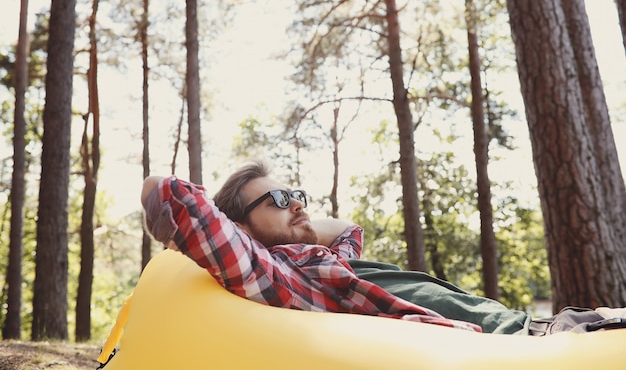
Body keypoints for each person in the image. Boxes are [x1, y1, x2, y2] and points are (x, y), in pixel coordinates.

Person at [141, 160, 626, 336]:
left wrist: (296, 217)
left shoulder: (326, 264)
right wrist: (243, 230)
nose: (298, 205)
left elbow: (349, 229)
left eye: (298, 194)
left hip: (540, 324)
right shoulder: (281, 276)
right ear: (240, 229)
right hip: (519, 343)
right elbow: (169, 193)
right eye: (279, 199)